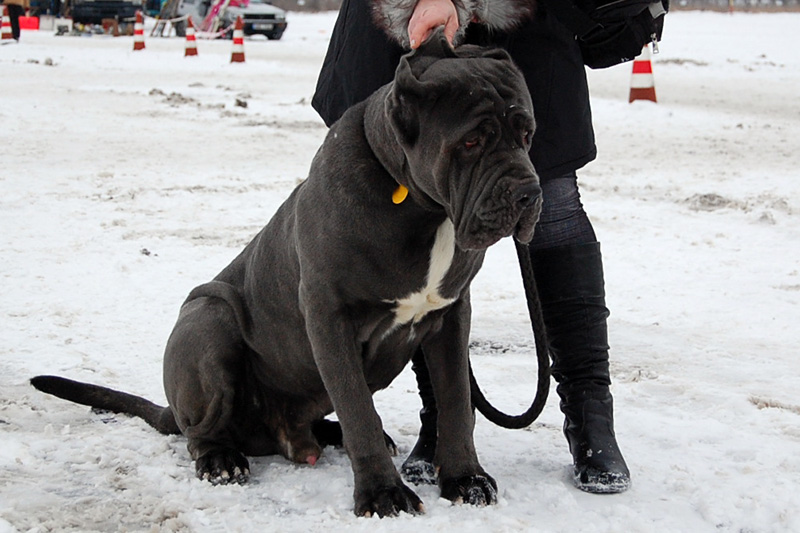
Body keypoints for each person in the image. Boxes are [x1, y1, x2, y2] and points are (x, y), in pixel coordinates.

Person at [312, 0, 631, 494]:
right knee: (406, 208)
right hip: (399, 18)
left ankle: (591, 419)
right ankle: (440, 418)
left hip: (521, 21)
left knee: (555, 206)